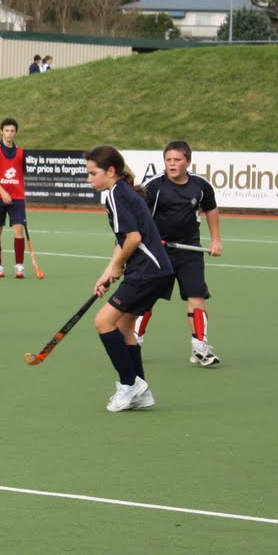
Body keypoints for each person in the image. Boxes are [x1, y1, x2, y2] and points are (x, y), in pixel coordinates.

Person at [85, 145, 175, 413]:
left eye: (92, 173)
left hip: (147, 271)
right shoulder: (120, 191)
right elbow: (123, 239)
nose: (89, 179)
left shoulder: (115, 195)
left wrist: (118, 265)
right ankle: (141, 392)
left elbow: (133, 239)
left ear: (110, 171)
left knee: (102, 322)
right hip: (156, 271)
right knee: (124, 328)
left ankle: (129, 385)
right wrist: (108, 271)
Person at [133, 140, 223, 367]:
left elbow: (211, 209)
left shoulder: (201, 187)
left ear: (188, 162)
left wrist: (215, 240)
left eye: (177, 160)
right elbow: (140, 215)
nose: (172, 164)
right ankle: (134, 342)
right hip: (158, 252)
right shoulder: (154, 186)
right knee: (147, 297)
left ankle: (200, 348)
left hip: (189, 250)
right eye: (168, 160)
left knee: (197, 297)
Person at [0, 117, 28, 279]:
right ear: (1, 131)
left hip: (16, 198)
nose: (9, 134)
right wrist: (3, 192)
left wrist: (22, 196)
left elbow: (21, 175)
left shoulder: (21, 152)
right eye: (7, 130)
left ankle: (19, 266)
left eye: (12, 131)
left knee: (19, 229)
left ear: (16, 133)